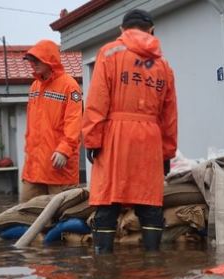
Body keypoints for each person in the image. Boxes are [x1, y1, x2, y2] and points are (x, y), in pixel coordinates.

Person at [82, 9, 178, 253]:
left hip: (115, 135)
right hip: (150, 137)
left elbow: (97, 100)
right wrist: (167, 153)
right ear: (151, 31)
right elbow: (169, 115)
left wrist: (92, 139)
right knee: (149, 203)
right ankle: (153, 263)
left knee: (108, 201)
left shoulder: (109, 53)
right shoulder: (163, 65)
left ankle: (104, 264)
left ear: (122, 30)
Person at [20, 40, 83, 203]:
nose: (32, 64)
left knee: (62, 217)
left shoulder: (70, 86)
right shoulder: (34, 86)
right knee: (26, 214)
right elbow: (32, 127)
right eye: (31, 60)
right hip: (34, 168)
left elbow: (74, 121)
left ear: (50, 59)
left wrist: (64, 150)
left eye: (36, 60)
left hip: (59, 166)